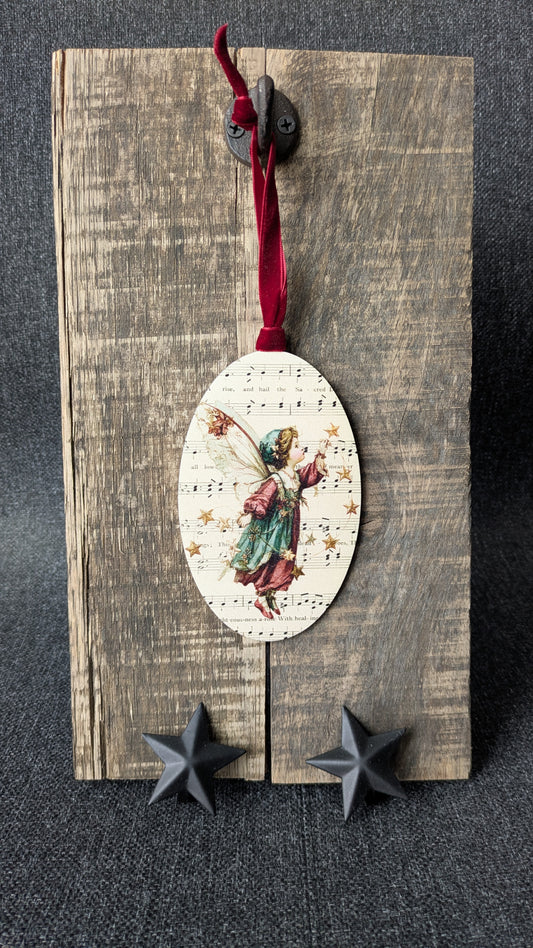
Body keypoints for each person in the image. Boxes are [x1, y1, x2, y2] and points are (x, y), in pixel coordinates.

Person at [231, 426, 329, 619]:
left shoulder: (296, 477)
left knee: (283, 564)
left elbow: (310, 475)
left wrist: (321, 454)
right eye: (296, 446)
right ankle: (261, 597)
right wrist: (248, 515)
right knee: (269, 562)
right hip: (272, 531)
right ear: (284, 454)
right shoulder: (276, 480)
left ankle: (269, 596)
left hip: (288, 530)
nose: (301, 449)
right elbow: (261, 498)